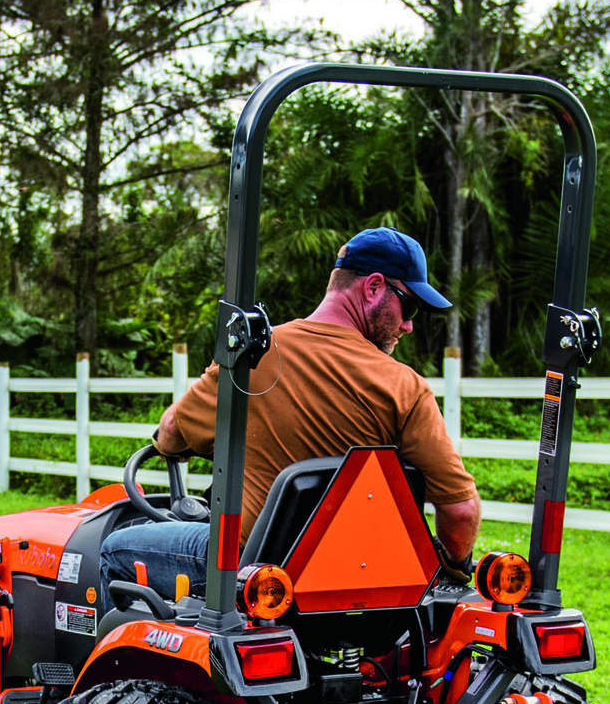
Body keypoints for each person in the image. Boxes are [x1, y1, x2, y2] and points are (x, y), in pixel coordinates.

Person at [100, 226, 479, 604]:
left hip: (253, 575)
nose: (409, 325)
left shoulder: (253, 356)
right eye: (409, 307)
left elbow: (170, 433)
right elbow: (460, 512)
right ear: (373, 287)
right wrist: (455, 569)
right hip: (357, 582)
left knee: (113, 548)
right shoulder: (405, 388)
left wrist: (179, 447)